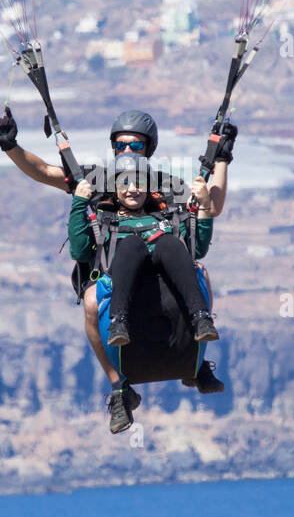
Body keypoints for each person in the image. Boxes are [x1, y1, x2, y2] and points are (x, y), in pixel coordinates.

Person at [0, 107, 233, 409]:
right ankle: (118, 386)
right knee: (92, 302)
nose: (127, 150)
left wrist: (221, 160)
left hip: (163, 263)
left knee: (202, 274)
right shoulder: (97, 179)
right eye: (121, 145)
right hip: (116, 266)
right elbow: (46, 172)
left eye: (135, 145)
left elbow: (212, 204)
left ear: (149, 148)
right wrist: (10, 147)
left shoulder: (166, 185)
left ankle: (197, 359)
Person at [71, 153, 217, 433]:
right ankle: (119, 329)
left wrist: (206, 207)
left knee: (175, 249)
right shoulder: (104, 222)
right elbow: (79, 251)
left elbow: (198, 248)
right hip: (123, 285)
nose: (132, 188)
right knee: (131, 247)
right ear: (114, 188)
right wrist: (79, 202)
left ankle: (201, 324)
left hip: (166, 283)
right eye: (124, 182)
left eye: (138, 181)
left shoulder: (167, 219)